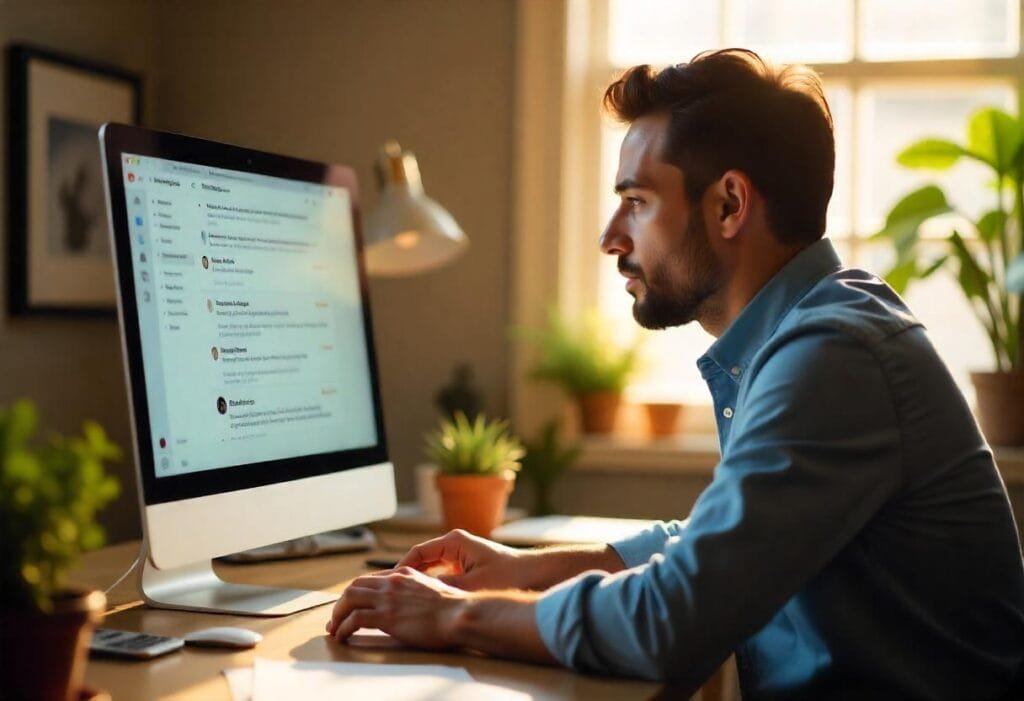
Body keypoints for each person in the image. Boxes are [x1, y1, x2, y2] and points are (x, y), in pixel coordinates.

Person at [327, 49, 1024, 698]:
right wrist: (523, 566)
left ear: (728, 204)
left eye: (636, 200)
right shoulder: (820, 332)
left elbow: (674, 616)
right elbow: (714, 544)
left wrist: (459, 616)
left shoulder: (835, 355)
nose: (611, 237)